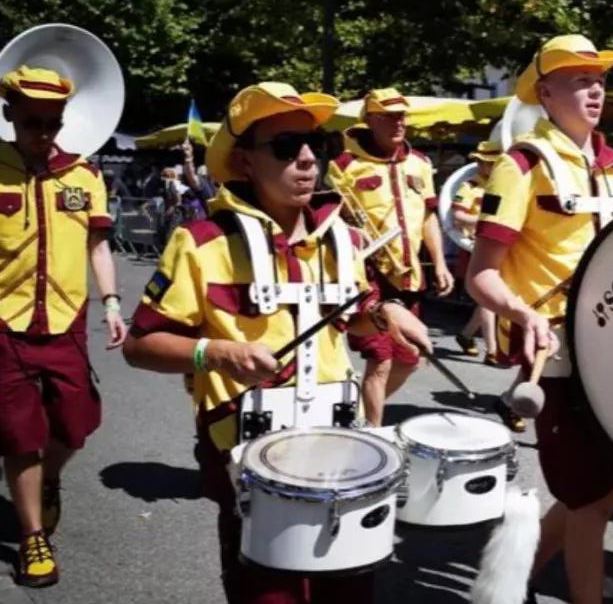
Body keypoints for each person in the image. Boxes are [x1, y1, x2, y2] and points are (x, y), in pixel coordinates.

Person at [121, 82, 430, 604]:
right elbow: (140, 344)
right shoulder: (201, 243)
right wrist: (216, 353)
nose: (308, 159)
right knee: (269, 595)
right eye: (287, 148)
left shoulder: (343, 239)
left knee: (348, 589)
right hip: (243, 451)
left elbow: (352, 319)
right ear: (244, 162)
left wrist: (384, 314)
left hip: (337, 445)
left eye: (317, 147)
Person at [467, 34, 613, 604]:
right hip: (556, 354)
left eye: (600, 80)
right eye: (580, 80)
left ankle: (512, 579)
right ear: (546, 92)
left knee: (607, 493)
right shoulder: (520, 167)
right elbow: (480, 276)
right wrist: (521, 313)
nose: (595, 90)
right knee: (589, 500)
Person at [0, 66, 127, 587]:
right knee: (18, 436)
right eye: (33, 122)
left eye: (53, 123)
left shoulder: (85, 175)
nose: (44, 133)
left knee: (75, 426)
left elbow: (98, 244)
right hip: (3, 323)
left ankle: (50, 477)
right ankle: (33, 538)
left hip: (66, 320)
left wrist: (114, 303)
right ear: (9, 114)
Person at [326, 88, 452, 427]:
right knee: (380, 361)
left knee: (411, 357)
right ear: (370, 120)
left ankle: (360, 412)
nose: (399, 123)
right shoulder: (344, 167)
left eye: (402, 116)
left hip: (408, 274)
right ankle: (374, 436)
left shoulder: (421, 164)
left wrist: (438, 262)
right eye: (388, 116)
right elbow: (332, 222)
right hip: (370, 277)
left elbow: (428, 217)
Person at [453, 140, 502, 366]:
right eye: (481, 162)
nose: (484, 167)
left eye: (489, 163)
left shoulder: (501, 188)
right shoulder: (469, 187)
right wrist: (485, 222)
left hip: (497, 244)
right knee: (487, 297)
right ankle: (492, 350)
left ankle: (466, 334)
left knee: (487, 298)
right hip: (474, 246)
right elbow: (458, 217)